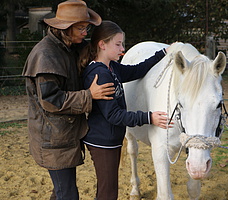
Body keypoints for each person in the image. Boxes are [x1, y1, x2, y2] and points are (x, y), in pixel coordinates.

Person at [22, 1, 115, 199]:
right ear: (64, 28)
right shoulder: (46, 55)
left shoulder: (67, 47)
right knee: (68, 195)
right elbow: (50, 100)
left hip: (62, 136)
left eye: (86, 27)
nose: (85, 32)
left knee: (61, 192)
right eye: (81, 28)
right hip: (53, 140)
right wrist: (89, 95)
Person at [80, 20, 173, 200]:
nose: (122, 49)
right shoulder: (100, 74)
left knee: (109, 190)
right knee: (108, 193)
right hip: (103, 142)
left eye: (122, 43)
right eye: (118, 44)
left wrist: (162, 53)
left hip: (110, 139)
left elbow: (137, 70)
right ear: (102, 45)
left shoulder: (111, 67)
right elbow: (113, 115)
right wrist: (149, 117)